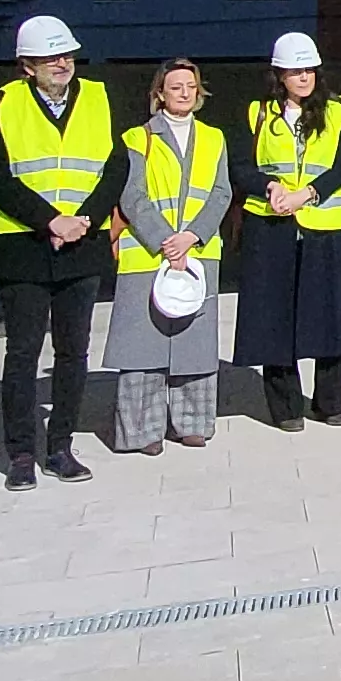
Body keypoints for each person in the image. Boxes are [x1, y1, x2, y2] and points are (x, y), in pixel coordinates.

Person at [0, 14, 126, 485]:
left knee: (73, 351)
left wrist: (85, 220)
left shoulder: (101, 97)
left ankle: (60, 446)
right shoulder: (1, 103)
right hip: (22, 243)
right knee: (22, 353)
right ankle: (21, 453)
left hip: (82, 241)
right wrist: (50, 221)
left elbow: (115, 166)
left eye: (66, 54)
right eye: (50, 57)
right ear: (27, 65)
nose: (62, 63)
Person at [103, 60, 230, 453]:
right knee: (144, 347)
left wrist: (191, 237)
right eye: (175, 87)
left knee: (194, 342)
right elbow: (132, 196)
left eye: (191, 86)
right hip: (147, 253)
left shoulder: (214, 138)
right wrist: (164, 241)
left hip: (198, 251)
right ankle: (143, 431)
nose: (185, 92)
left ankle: (193, 423)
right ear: (160, 93)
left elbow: (221, 193)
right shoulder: (135, 138)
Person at [233, 31, 341, 431]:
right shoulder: (256, 113)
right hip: (272, 226)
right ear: (279, 75)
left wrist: (308, 194)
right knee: (275, 316)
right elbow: (241, 166)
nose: (304, 78)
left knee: (329, 317)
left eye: (309, 70)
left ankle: (330, 402)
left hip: (324, 225)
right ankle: (285, 407)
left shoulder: (337, 111)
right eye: (295, 71)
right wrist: (271, 188)